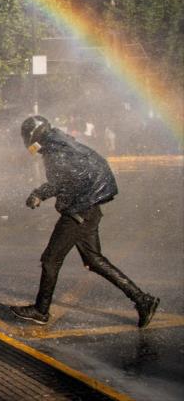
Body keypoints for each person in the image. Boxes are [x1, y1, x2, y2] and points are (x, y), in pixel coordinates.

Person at [10, 116, 160, 327]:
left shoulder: (55, 149)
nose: (26, 141)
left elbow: (61, 180)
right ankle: (143, 300)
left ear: (35, 134)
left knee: (51, 260)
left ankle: (41, 311)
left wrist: (39, 194)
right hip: (89, 209)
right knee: (95, 261)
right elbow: (68, 178)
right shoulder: (61, 143)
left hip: (79, 213)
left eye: (27, 136)